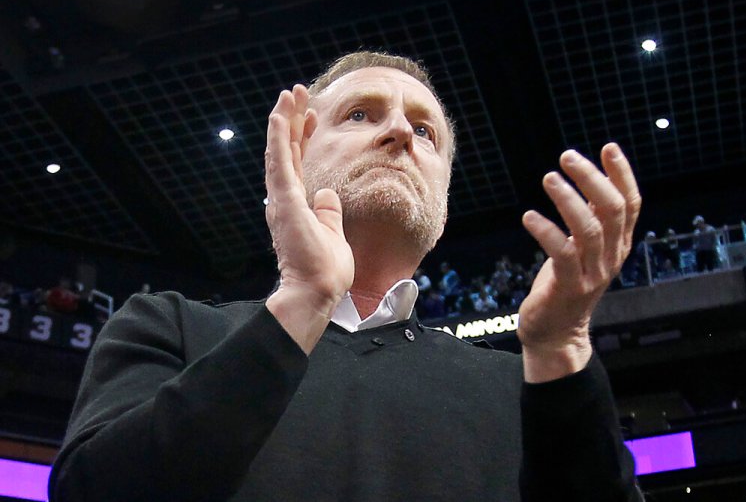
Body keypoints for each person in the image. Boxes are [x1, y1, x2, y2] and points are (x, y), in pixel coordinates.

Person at [49, 51, 644, 501]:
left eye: (426, 131)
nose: (399, 134)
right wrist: (304, 301)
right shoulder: (169, 325)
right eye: (360, 114)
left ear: (442, 195)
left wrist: (562, 348)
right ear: (294, 156)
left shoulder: (526, 388)